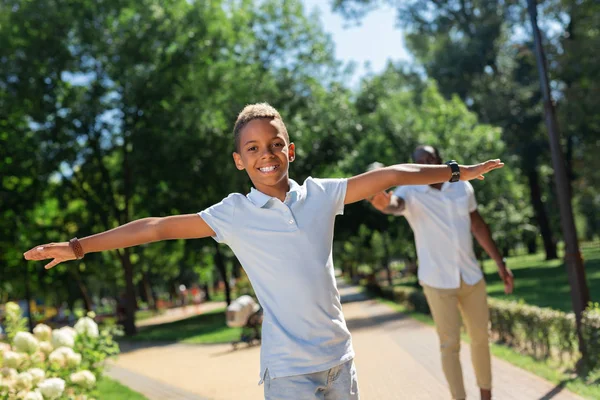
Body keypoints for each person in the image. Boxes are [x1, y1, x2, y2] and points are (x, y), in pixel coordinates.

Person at [24, 104, 503, 399]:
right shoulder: (233, 214)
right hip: (290, 372)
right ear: (239, 160)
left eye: (274, 144)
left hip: (341, 360)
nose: (265, 153)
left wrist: (458, 172)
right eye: (252, 148)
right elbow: (155, 229)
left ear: (289, 150)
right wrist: (77, 246)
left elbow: (390, 176)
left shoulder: (321, 195)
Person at [368, 145, 514, 400]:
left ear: (440, 159)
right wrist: (382, 201)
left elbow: (477, 225)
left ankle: (486, 395)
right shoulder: (410, 190)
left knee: (481, 339)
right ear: (416, 166)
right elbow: (394, 204)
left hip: (471, 276)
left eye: (432, 158)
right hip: (436, 281)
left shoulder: (462, 186)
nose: (429, 162)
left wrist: (500, 264)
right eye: (422, 161)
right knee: (450, 345)